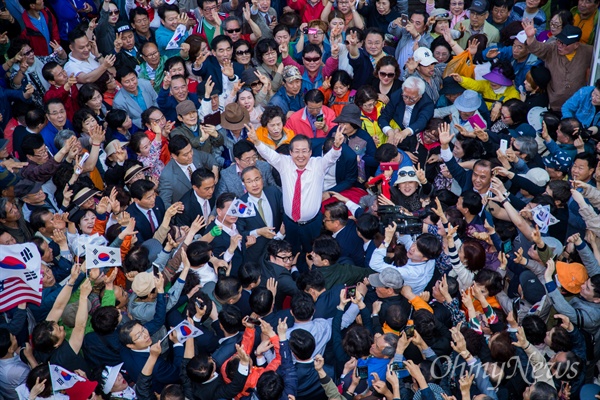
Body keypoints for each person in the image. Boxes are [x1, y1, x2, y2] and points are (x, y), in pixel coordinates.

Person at [247, 124, 345, 261]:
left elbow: (331, 158)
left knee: (313, 255)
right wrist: (256, 141)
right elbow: (269, 154)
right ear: (291, 152)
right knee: (290, 254)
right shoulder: (284, 163)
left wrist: (336, 146)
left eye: (304, 151)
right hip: (290, 223)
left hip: (313, 223)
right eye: (297, 151)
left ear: (310, 152)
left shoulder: (318, 165)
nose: (300, 155)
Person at [522, 22, 593, 112]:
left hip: (577, 106)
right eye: (559, 41)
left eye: (564, 44)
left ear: (576, 45)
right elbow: (539, 48)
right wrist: (531, 38)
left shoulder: (588, 52)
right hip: (554, 104)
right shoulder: (552, 49)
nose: (559, 45)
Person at [237, 166, 284, 262]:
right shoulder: (241, 204)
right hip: (256, 254)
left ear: (262, 179)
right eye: (249, 181)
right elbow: (240, 232)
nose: (254, 184)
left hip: (279, 248)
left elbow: (284, 213)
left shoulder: (273, 192)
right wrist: (258, 232)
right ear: (244, 184)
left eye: (257, 179)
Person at [158, 135, 219, 207]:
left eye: (191, 151)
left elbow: (208, 158)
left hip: (209, 202)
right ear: (174, 156)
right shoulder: (167, 176)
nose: (190, 156)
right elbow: (164, 203)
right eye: (185, 155)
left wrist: (215, 169)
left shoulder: (194, 154)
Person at [378, 76, 435, 147]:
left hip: (416, 136)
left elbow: (422, 121)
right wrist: (390, 132)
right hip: (396, 130)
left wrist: (405, 132)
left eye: (412, 98)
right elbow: (384, 117)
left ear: (420, 96)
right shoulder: (397, 96)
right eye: (405, 96)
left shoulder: (427, 103)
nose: (407, 100)